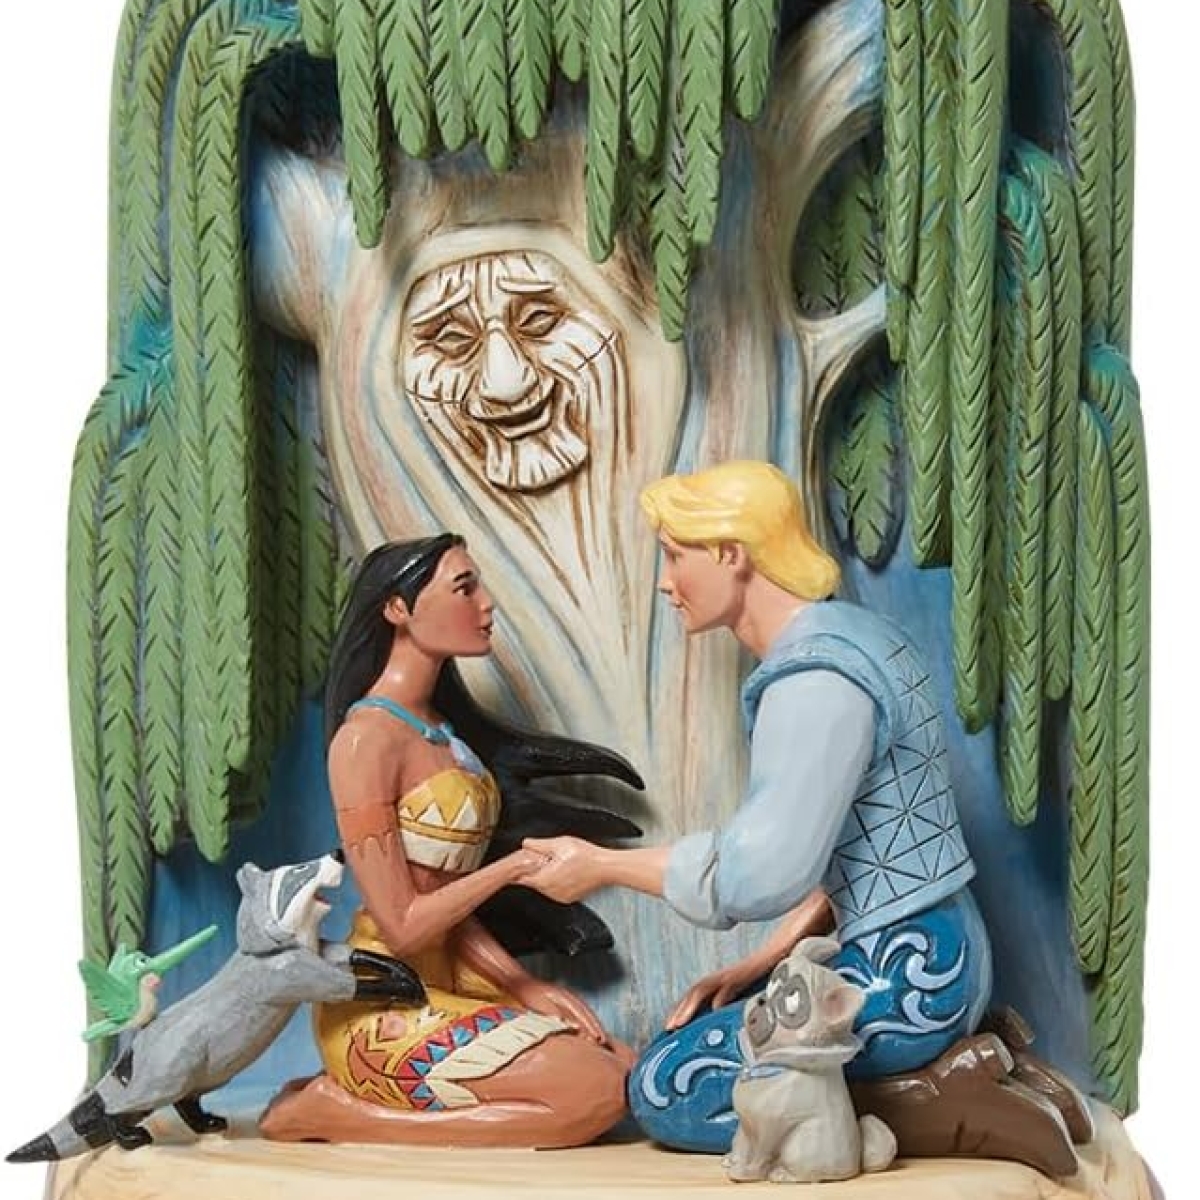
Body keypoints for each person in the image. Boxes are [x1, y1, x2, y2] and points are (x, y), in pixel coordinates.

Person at [520, 461, 1088, 1171]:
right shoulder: (857, 635)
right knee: (716, 1039)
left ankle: (940, 1098)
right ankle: (977, 1058)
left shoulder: (816, 680)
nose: (665, 583)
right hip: (934, 955)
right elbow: (853, 853)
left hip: (904, 977)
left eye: (674, 556)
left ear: (731, 553)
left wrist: (601, 865)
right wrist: (759, 964)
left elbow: (762, 873)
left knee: (666, 1086)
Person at [259, 534, 635, 1147]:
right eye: (464, 588)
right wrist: (510, 868)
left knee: (622, 1068)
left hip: (454, 977)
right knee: (592, 1094)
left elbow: (451, 914)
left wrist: (523, 984)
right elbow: (405, 926)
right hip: (384, 1002)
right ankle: (330, 1113)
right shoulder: (365, 742)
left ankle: (349, 1108)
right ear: (397, 609)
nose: (486, 603)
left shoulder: (441, 731)